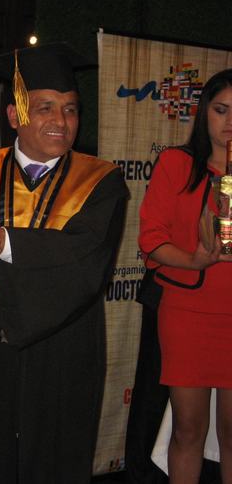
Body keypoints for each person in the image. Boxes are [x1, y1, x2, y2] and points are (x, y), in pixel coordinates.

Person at [0, 43, 128, 484]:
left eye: (70, 109)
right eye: (45, 107)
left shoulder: (101, 182)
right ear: (13, 115)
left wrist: (2, 240)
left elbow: (86, 261)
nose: (61, 120)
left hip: (64, 354)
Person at [138, 68, 232, 484]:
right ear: (204, 112)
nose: (229, 122)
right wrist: (194, 260)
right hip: (187, 312)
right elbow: (150, 239)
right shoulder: (177, 164)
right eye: (221, 110)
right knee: (188, 428)